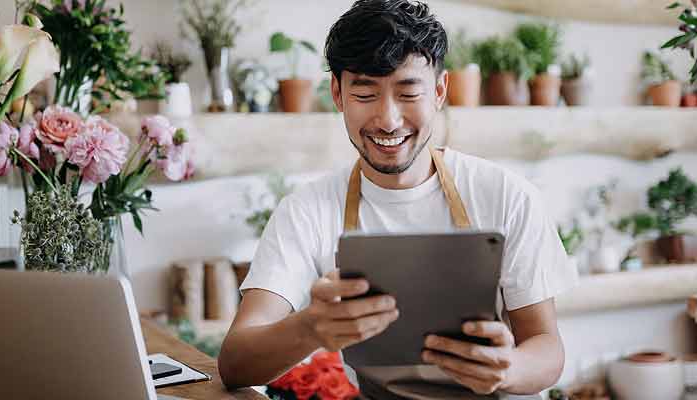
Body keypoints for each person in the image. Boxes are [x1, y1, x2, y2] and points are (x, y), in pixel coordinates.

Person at [218, 0, 577, 397]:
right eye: (366, 94)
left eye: (408, 92)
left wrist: (508, 370)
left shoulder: (507, 196)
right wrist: (309, 328)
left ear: (439, 91)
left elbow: (547, 349)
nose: (388, 119)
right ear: (337, 94)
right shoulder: (306, 211)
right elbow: (234, 363)